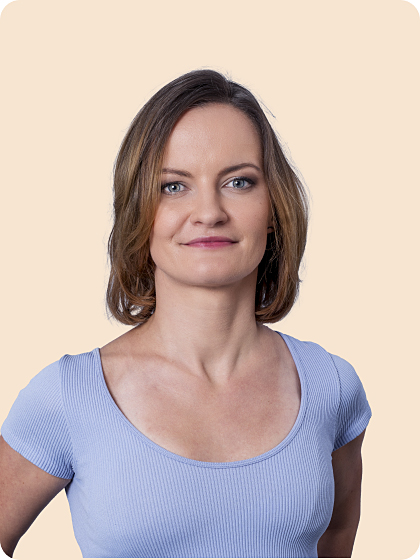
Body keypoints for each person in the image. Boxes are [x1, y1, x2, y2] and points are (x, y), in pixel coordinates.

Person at [0, 69, 372, 559]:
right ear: (138, 210)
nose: (209, 212)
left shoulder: (331, 386)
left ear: (273, 208)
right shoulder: (68, 397)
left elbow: (337, 542)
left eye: (239, 182)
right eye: (174, 186)